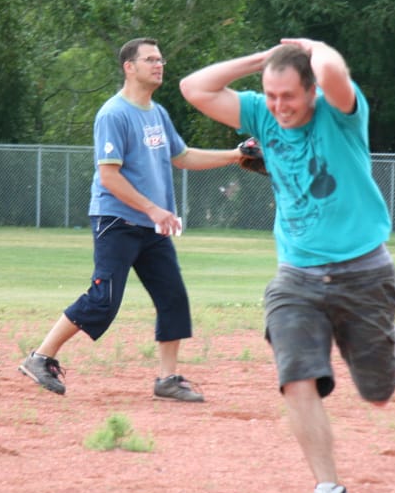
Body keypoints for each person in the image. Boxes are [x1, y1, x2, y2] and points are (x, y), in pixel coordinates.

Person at [179, 38, 395, 493]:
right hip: (296, 275)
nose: (279, 106)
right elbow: (194, 88)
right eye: (271, 95)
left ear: (311, 91)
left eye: (289, 96)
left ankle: (389, 338)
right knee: (296, 375)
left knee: (378, 394)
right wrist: (263, 61)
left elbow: (334, 74)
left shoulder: (340, 114)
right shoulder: (261, 115)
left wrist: (315, 47)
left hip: (363, 271)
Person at [18, 37, 245, 401]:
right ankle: (40, 357)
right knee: (103, 299)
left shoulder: (157, 113)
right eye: (150, 59)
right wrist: (153, 208)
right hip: (117, 220)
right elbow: (109, 176)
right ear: (129, 67)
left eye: (160, 59)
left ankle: (167, 379)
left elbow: (182, 157)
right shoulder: (114, 114)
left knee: (172, 298)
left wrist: (235, 155)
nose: (159, 65)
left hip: (151, 227)